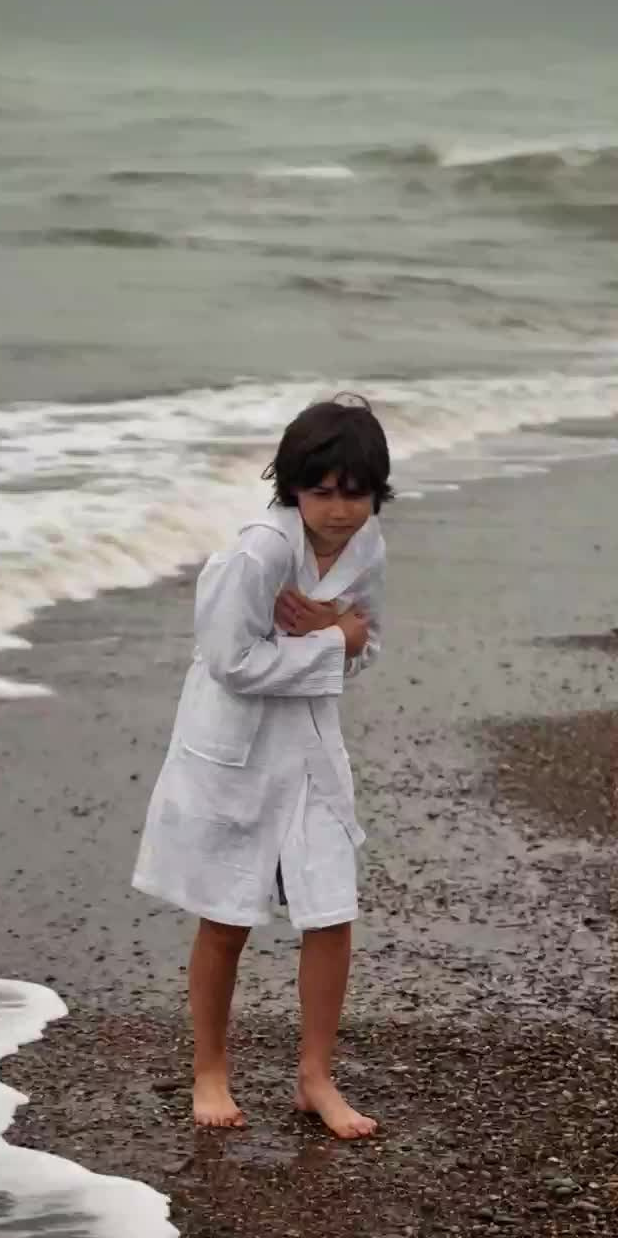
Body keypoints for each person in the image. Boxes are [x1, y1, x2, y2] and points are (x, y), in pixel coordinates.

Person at [133, 395, 391, 1139]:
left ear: (376, 492)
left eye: (356, 493)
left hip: (310, 743)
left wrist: (341, 637)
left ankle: (315, 1078)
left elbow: (369, 644)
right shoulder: (255, 554)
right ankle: (210, 1071)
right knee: (228, 913)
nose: (339, 511)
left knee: (331, 909)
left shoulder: (369, 546)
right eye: (322, 492)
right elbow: (230, 661)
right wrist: (330, 640)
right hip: (237, 746)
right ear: (292, 487)